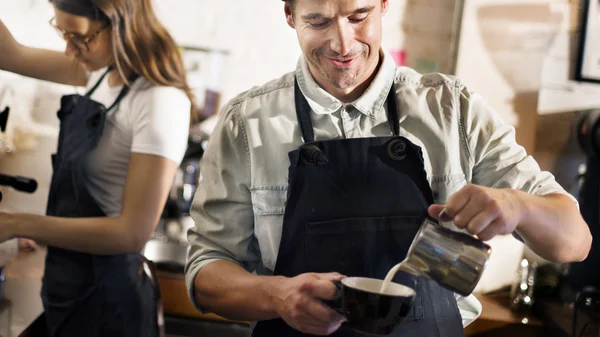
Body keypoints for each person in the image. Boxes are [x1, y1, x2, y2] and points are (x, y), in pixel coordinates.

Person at [185, 0, 593, 336]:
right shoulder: (247, 122)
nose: (342, 43)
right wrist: (276, 296)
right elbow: (206, 272)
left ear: (383, 6)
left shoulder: (453, 111)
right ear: (289, 15)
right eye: (318, 20)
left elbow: (574, 242)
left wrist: (517, 205)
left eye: (358, 16)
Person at [0, 0, 193, 335]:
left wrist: (17, 223)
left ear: (121, 24)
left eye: (80, 38)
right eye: (62, 33)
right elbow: (10, 54)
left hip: (110, 307)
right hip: (66, 293)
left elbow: (131, 233)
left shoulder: (159, 101)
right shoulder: (97, 71)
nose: (70, 50)